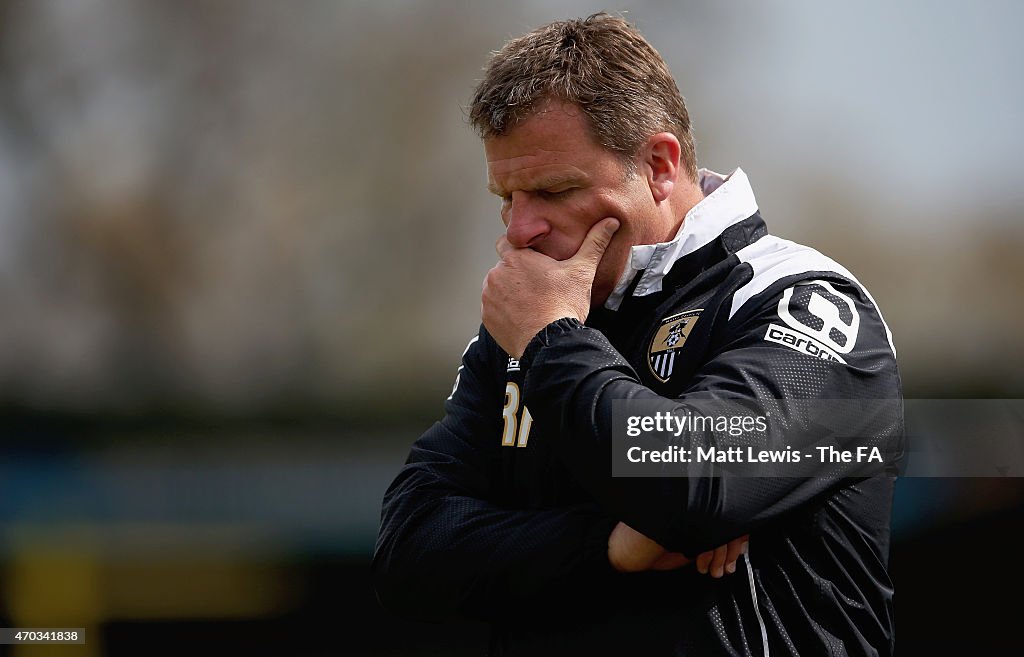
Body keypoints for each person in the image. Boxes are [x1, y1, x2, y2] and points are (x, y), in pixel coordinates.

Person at [373, 13, 903, 657]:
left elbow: (695, 484)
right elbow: (410, 549)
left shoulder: (801, 300)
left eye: (554, 190)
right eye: (506, 197)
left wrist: (551, 343)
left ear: (657, 164)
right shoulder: (525, 328)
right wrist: (607, 546)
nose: (520, 229)